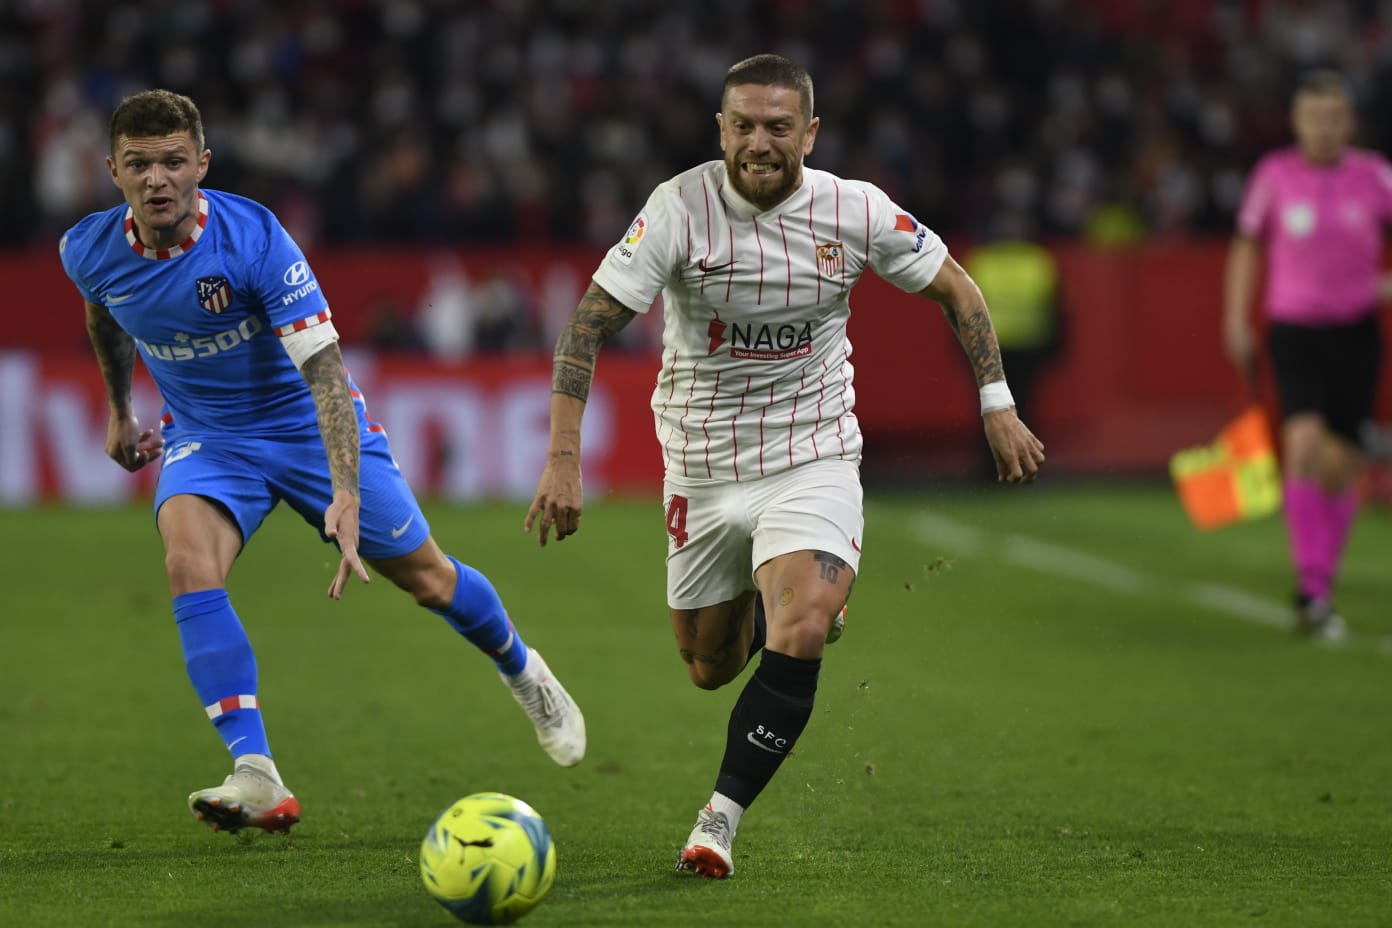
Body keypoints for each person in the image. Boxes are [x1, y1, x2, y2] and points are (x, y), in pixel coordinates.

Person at [525, 54, 1045, 879]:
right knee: (709, 667)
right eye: (743, 126)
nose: (759, 143)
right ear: (720, 130)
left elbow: (959, 290)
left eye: (777, 127)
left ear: (809, 133)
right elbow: (585, 327)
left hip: (812, 452)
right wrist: (562, 460)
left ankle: (718, 821)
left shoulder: (853, 208)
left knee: (801, 628)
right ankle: (786, 598)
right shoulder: (678, 208)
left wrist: (998, 403)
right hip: (701, 463)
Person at [58, 90, 585, 836]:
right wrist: (120, 408)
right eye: (139, 165)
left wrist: (344, 491)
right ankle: (256, 772)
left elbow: (326, 373)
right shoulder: (87, 249)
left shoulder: (255, 240)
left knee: (429, 579)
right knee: (187, 562)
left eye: (173, 162)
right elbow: (103, 309)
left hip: (306, 427)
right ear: (112, 170)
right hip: (209, 439)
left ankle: (522, 669)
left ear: (202, 165)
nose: (157, 179)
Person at [1223, 70, 1392, 640]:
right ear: (1296, 122)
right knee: (1303, 444)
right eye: (1313, 117)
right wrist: (1235, 317)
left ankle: (1322, 580)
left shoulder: (1375, 176)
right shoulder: (1274, 176)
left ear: (1350, 122)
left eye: (1333, 117)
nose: (1323, 128)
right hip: (1294, 330)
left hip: (1356, 333)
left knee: (1342, 465)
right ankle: (1312, 587)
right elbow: (1246, 247)